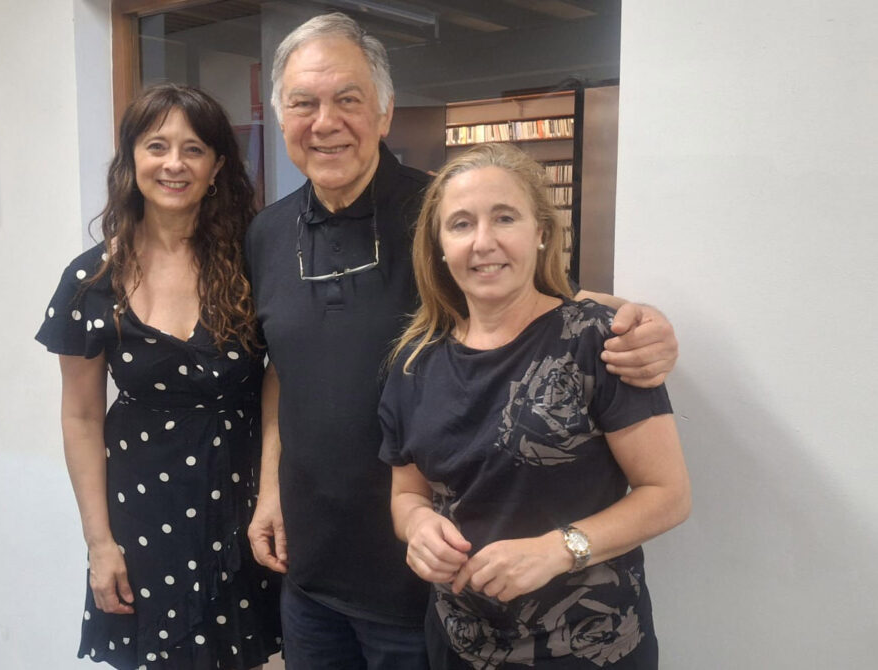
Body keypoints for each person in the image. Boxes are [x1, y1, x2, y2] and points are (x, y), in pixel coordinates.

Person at [245, 13, 679, 670]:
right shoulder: (266, 234)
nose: (325, 122)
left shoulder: (443, 215)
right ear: (282, 120)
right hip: (312, 576)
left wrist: (641, 324)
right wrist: (270, 492)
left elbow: (543, 305)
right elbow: (282, 370)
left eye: (348, 99)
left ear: (385, 112)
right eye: (303, 104)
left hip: (430, 584)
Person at [379, 143, 691, 669]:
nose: (483, 241)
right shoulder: (414, 364)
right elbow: (407, 494)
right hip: (460, 645)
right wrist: (417, 528)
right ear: (439, 246)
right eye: (461, 224)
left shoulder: (596, 340)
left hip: (590, 647)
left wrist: (557, 550)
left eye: (505, 217)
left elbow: (668, 495)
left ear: (541, 232)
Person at [36, 84, 280, 670]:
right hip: (143, 516)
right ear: (131, 159)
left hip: (242, 502)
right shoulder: (91, 280)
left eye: (193, 149)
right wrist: (99, 544)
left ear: (217, 166)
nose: (175, 164)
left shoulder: (255, 264)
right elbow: (81, 417)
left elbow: (284, 379)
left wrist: (273, 495)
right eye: (157, 146)